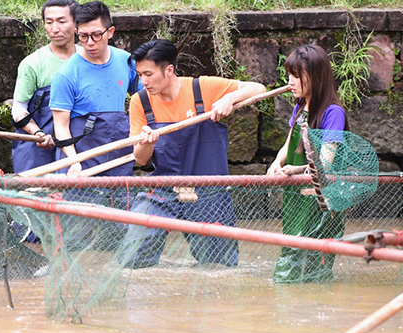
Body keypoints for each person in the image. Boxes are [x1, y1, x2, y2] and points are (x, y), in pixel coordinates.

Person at [116, 39, 266, 269]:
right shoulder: (140, 101)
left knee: (219, 267)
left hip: (207, 191)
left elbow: (258, 89)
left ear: (169, 70)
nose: (143, 81)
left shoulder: (202, 88)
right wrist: (146, 142)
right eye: (139, 75)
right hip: (164, 188)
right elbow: (141, 159)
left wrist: (229, 98)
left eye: (148, 74)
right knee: (133, 254)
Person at [267, 44, 348, 283]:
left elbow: (326, 161)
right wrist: (276, 163)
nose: (290, 82)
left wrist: (298, 170)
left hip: (321, 196)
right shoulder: (301, 107)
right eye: (289, 76)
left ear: (314, 77)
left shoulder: (333, 113)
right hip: (298, 193)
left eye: (296, 76)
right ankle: (288, 293)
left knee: (316, 258)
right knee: (292, 243)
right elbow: (288, 143)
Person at [49, 0, 140, 176]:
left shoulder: (127, 62)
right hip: (79, 158)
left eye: (96, 35)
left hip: (117, 154)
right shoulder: (66, 74)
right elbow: (60, 126)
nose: (90, 42)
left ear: (110, 32)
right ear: (76, 33)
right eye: (83, 36)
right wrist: (74, 161)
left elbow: (148, 98)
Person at [10, 0, 81, 173]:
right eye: (49, 22)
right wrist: (37, 134)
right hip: (37, 149)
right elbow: (18, 108)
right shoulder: (32, 64)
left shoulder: (88, 59)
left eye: (62, 21)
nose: (54, 29)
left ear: (76, 24)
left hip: (78, 142)